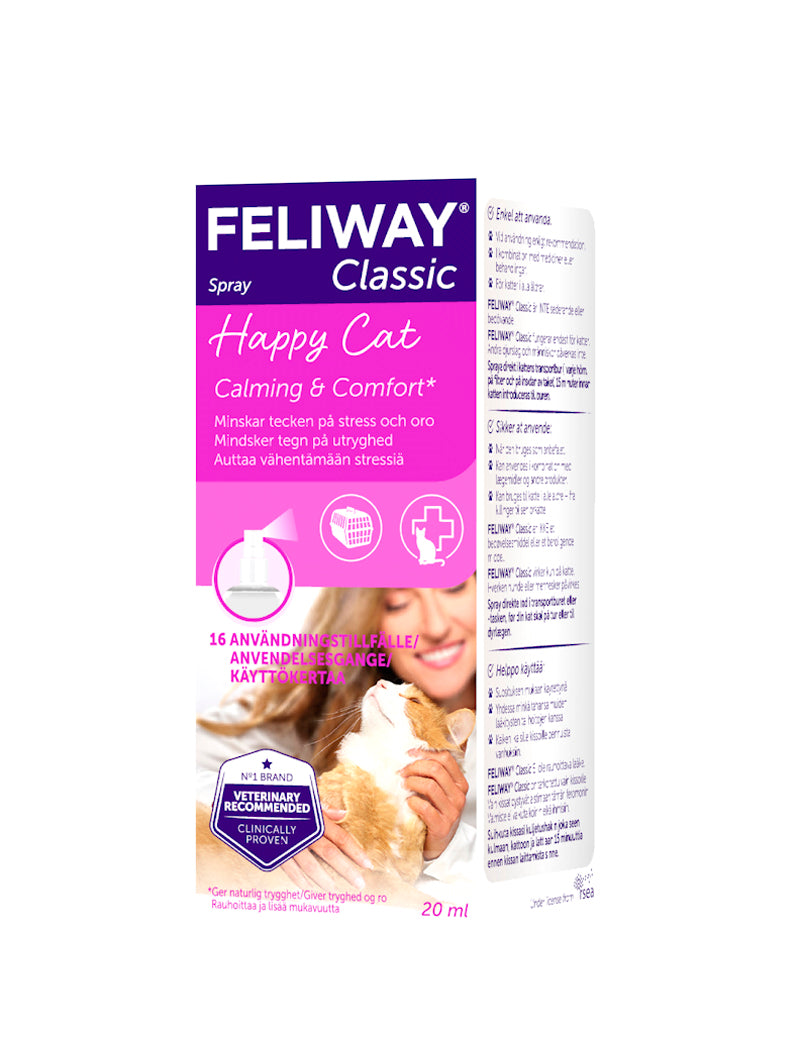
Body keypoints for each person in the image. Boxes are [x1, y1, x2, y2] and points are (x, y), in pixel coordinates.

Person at [197, 578, 477, 891]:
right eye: (398, 603)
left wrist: (451, 847)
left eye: (453, 587)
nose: (436, 627)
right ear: (368, 620)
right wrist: (258, 805)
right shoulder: (308, 712)